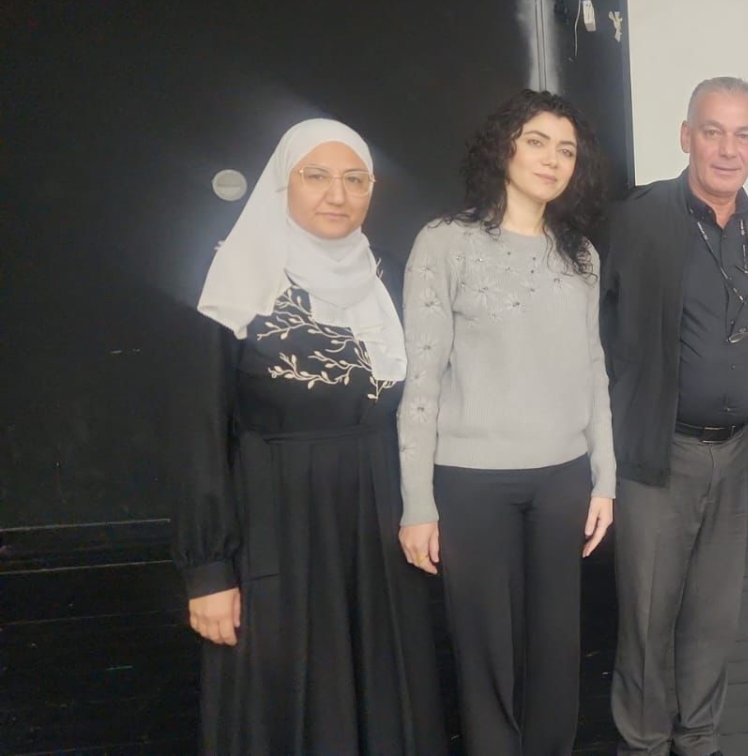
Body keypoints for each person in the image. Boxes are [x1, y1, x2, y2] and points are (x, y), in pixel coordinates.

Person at [174, 118, 445, 754]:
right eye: (316, 176)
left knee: (384, 687)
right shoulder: (235, 274)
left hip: (378, 517)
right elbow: (199, 428)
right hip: (275, 522)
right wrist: (208, 570)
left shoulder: (389, 275)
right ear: (282, 184)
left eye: (355, 179)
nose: (337, 195)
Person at [396, 89, 616, 756]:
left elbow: (595, 370)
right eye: (537, 142)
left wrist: (604, 480)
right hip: (471, 483)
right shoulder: (445, 242)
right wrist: (416, 501)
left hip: (563, 480)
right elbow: (421, 379)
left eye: (567, 150)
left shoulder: (580, 255)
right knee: (485, 650)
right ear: (503, 149)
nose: (553, 160)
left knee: (556, 648)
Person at [602, 76, 748, 756]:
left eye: (743, 134)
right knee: (648, 617)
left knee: (714, 617)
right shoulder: (637, 217)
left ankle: (699, 738)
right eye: (713, 131)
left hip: (737, 454)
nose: (728, 149)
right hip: (660, 452)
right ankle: (645, 742)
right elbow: (598, 327)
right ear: (686, 136)